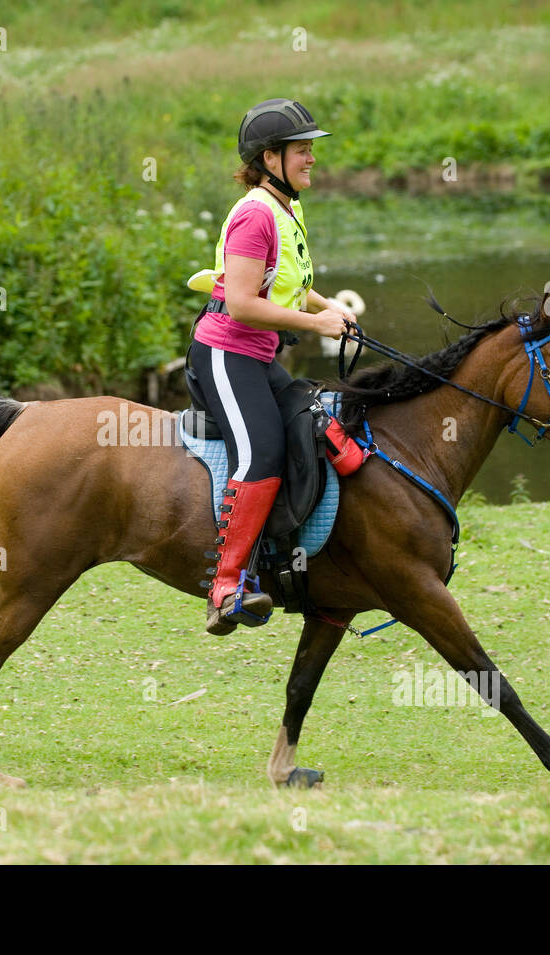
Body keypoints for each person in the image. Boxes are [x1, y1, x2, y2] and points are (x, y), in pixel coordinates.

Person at [188, 98, 356, 636]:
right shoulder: (256, 213)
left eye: (311, 149)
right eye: (302, 150)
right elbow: (240, 302)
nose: (311, 159)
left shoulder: (287, 208)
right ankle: (227, 587)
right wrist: (317, 327)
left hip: (257, 356)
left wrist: (327, 307)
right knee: (261, 450)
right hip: (224, 352)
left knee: (319, 425)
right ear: (270, 157)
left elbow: (291, 288)